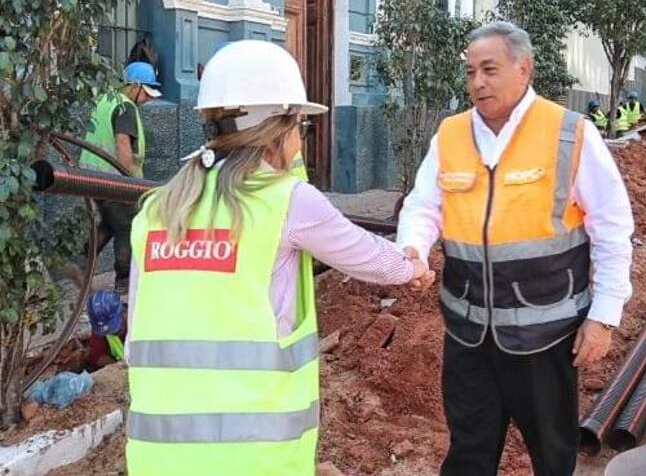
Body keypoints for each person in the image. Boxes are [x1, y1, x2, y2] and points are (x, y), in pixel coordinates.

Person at [124, 40, 435, 476]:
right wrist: (412, 267)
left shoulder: (157, 208)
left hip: (158, 453)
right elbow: (367, 256)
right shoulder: (285, 199)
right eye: (300, 126)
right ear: (277, 128)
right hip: (253, 453)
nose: (299, 140)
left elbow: (136, 328)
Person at [396, 22, 633, 476]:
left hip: (544, 336)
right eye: (469, 72)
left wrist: (603, 316)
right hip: (467, 333)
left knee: (551, 453)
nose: (477, 83)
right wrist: (413, 248)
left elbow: (611, 227)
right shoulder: (450, 134)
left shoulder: (569, 132)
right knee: (469, 451)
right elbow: (424, 205)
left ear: (523, 69)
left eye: (489, 69)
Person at [78, 61, 161, 290]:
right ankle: (124, 280)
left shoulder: (104, 100)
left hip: (90, 176)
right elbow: (122, 143)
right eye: (147, 92)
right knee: (128, 225)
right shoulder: (126, 107)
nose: (148, 99)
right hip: (113, 178)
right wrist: (128, 183)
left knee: (110, 222)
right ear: (134, 86)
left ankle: (81, 263)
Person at [86, 290, 127, 370]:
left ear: (123, 312)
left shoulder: (139, 322)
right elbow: (96, 355)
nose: (113, 333)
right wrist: (116, 366)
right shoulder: (100, 328)